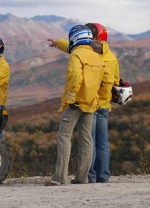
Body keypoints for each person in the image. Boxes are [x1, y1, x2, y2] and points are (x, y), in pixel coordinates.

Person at [47, 23, 120, 183]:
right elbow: (108, 79)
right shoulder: (98, 55)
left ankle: (60, 177)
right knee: (87, 139)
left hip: (76, 103)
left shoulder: (76, 54)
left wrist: (71, 97)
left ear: (75, 38)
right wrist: (98, 97)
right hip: (92, 103)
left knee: (64, 136)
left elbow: (75, 76)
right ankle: (82, 178)